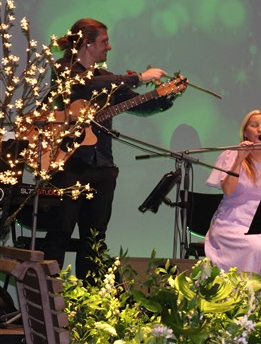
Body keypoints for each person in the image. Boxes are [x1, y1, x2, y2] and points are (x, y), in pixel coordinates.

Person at [43, 18, 176, 280]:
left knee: (95, 239)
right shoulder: (63, 69)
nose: (109, 46)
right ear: (87, 43)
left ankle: (90, 296)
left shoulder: (106, 78)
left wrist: (164, 98)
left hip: (102, 167)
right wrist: (138, 77)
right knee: (60, 232)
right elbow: (84, 85)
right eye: (104, 41)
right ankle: (49, 296)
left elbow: (138, 105)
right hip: (69, 165)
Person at [204, 110, 261, 323]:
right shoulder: (231, 155)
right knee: (257, 248)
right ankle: (246, 308)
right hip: (231, 223)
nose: (260, 129)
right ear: (245, 132)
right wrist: (240, 158)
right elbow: (228, 190)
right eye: (255, 125)